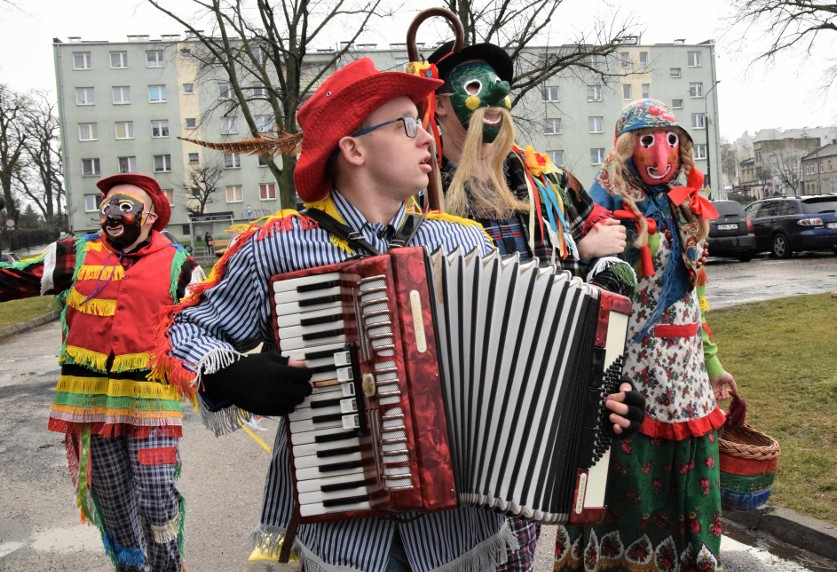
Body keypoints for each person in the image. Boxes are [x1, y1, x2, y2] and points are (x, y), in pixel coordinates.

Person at [154, 58, 642, 571]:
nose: (427, 138)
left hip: (455, 535)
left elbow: (524, 362)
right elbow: (184, 329)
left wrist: (596, 405)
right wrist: (230, 374)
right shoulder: (277, 244)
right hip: (342, 534)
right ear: (353, 147)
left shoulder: (461, 242)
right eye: (407, 125)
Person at [426, 41, 645, 570]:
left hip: (531, 428)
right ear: (437, 104)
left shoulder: (539, 180)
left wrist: (591, 249)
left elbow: (622, 239)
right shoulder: (414, 185)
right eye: (475, 87)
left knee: (516, 555)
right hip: (444, 431)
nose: (491, 101)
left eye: (499, 89)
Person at [552, 99, 737, 572]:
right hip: (631, 378)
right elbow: (586, 293)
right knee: (628, 499)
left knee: (688, 502)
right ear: (626, 147)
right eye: (648, 141)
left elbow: (692, 298)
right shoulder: (605, 210)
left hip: (688, 383)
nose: (662, 153)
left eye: (671, 140)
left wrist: (714, 365)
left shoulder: (684, 205)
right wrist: (624, 251)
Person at [0, 174, 204, 571]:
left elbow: (207, 321)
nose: (111, 215)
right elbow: (16, 279)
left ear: (148, 218)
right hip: (91, 405)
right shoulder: (74, 255)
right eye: (107, 206)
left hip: (152, 405)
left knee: (157, 494)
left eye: (123, 207)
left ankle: (166, 566)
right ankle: (131, 567)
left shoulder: (180, 265)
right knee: (110, 499)